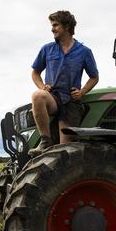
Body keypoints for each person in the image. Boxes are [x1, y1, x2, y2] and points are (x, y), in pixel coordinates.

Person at [27, 10, 99, 157]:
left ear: (66, 26)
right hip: (53, 97)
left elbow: (94, 77)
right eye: (52, 25)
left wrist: (82, 92)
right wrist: (42, 87)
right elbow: (35, 73)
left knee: (64, 151)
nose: (52, 29)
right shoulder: (47, 49)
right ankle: (45, 141)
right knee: (37, 96)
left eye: (55, 25)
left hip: (71, 102)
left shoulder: (84, 52)